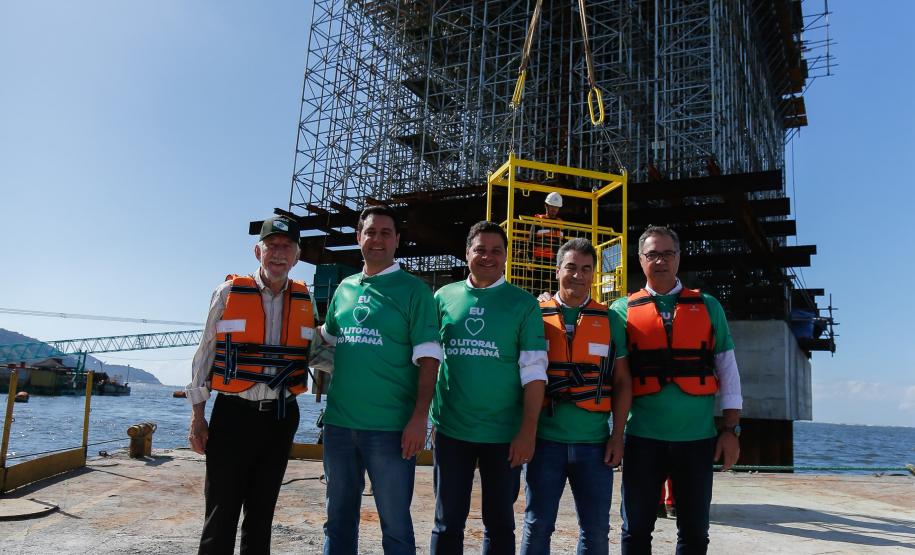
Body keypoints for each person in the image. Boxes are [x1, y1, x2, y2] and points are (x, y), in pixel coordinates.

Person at [186, 215, 317, 554]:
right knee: (221, 512)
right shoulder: (227, 292)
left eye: (286, 247)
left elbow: (316, 353)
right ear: (257, 251)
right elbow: (204, 358)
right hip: (233, 417)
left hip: (281, 418)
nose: (278, 253)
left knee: (261, 515)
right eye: (272, 246)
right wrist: (198, 419)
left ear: (297, 255)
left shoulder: (306, 298)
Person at [318, 205, 443, 555]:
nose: (377, 239)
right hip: (340, 426)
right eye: (370, 232)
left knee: (396, 524)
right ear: (359, 237)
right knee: (338, 519)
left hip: (390, 430)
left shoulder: (414, 291)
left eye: (386, 233)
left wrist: (420, 418)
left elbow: (430, 357)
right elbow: (324, 341)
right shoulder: (343, 289)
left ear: (397, 241)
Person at [611, 225, 742, 554]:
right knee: (635, 530)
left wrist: (731, 429)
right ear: (640, 260)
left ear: (679, 258)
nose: (660, 261)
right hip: (641, 440)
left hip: (696, 441)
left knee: (695, 533)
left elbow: (728, 370)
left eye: (667, 253)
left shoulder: (710, 307)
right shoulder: (620, 311)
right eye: (652, 254)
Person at [429, 221, 548, 555]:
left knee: (499, 523)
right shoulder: (443, 298)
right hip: (452, 430)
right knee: (447, 521)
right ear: (467, 252)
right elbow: (427, 361)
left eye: (496, 250)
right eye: (480, 249)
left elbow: (534, 372)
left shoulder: (523, 304)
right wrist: (429, 420)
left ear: (506, 257)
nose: (487, 257)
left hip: (504, 435)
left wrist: (528, 430)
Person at [521, 238, 632, 555]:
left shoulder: (611, 321)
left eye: (586, 269)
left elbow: (623, 382)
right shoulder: (534, 314)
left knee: (595, 531)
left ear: (594, 274)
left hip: (594, 446)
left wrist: (618, 435)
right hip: (544, 442)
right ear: (558, 271)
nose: (578, 276)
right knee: (537, 525)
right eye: (571, 267)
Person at [529, 192, 564, 263]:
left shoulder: (561, 224)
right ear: (546, 206)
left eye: (556, 207)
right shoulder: (538, 221)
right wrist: (529, 260)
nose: (554, 209)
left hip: (556, 262)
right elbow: (531, 241)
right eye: (552, 206)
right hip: (539, 261)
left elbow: (564, 243)